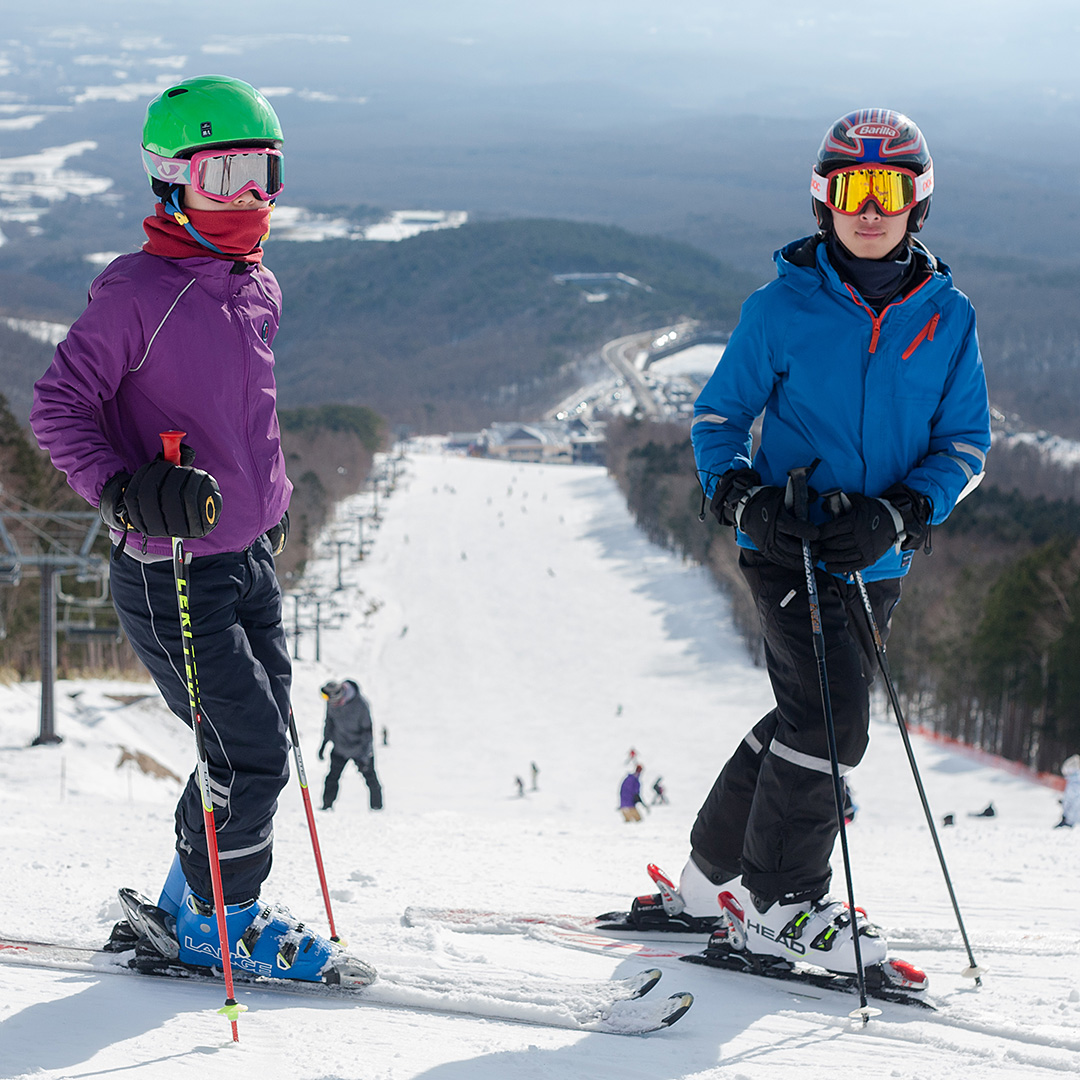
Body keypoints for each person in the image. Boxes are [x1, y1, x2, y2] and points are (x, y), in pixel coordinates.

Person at [630, 109, 990, 978]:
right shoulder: (781, 306)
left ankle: (706, 879)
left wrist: (903, 513)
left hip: (882, 560)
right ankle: (777, 905)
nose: (869, 209)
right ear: (823, 202)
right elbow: (717, 418)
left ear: (919, 203)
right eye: (849, 189)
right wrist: (745, 499)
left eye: (889, 190)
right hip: (789, 547)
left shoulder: (949, 316)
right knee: (831, 723)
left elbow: (966, 446)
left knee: (805, 716)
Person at [30, 75, 372, 986]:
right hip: (170, 569)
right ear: (169, 180)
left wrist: (271, 499)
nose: (250, 198)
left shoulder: (255, 282)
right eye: (223, 177)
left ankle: (189, 901)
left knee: (257, 740)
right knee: (249, 752)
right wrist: (125, 490)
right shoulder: (141, 291)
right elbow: (59, 404)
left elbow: (234, 411)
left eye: (264, 173)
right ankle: (224, 924)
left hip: (246, 556)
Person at [319, 680, 383, 810]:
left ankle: (377, 809)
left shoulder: (360, 705)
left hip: (360, 749)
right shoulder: (331, 702)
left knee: (371, 779)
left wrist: (365, 756)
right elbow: (329, 723)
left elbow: (367, 732)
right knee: (332, 778)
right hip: (340, 746)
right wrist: (324, 744)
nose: (327, 701)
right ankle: (327, 806)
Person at [1055, 754, 1079, 828]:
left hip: (1071, 819)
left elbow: (1074, 801)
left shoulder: (1074, 781)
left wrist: (1069, 820)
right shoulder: (1074, 780)